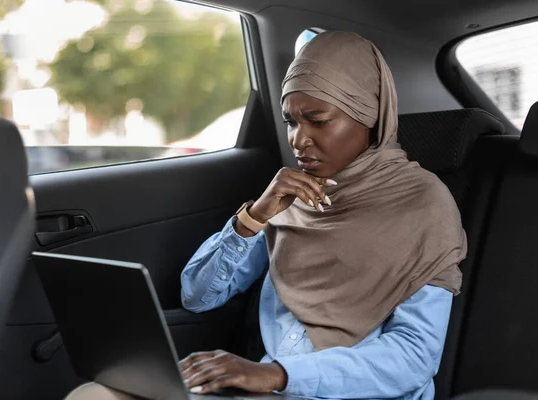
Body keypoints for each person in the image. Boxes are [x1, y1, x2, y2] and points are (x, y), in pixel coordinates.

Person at [179, 31, 466, 400]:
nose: (298, 140)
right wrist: (254, 217)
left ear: (370, 117)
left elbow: (413, 357)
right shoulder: (293, 196)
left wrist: (277, 374)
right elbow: (197, 297)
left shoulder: (424, 205)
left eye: (317, 120)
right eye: (291, 122)